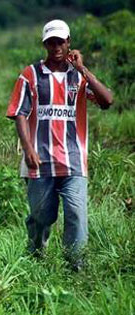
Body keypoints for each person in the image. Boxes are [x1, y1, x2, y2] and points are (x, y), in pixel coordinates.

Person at [6, 20, 113, 271]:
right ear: (45, 44)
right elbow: (19, 113)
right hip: (39, 160)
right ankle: (35, 256)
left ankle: (75, 268)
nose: (56, 47)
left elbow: (107, 100)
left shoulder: (78, 76)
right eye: (51, 42)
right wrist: (27, 148)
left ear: (69, 43)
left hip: (74, 159)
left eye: (60, 42)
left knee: (76, 215)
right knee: (42, 216)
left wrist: (83, 68)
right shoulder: (30, 74)